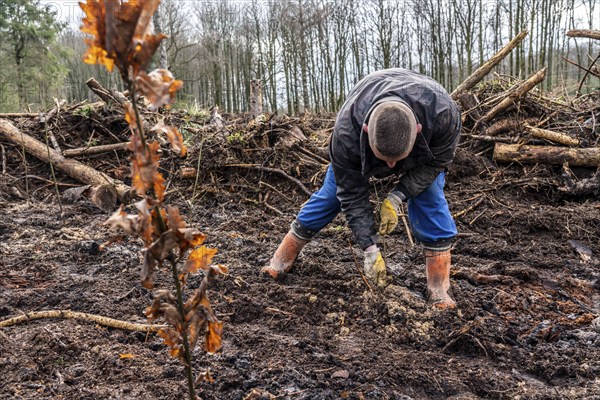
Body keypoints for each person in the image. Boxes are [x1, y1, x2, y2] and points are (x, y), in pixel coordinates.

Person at [261, 68, 461, 309]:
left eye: (397, 160)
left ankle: (438, 287)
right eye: (384, 159)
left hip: (424, 148)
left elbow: (437, 163)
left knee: (430, 196)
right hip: (360, 133)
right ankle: (281, 259)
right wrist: (370, 249)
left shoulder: (443, 115)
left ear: (417, 130)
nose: (390, 167)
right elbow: (351, 194)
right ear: (366, 130)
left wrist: (398, 196)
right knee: (331, 194)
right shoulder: (347, 131)